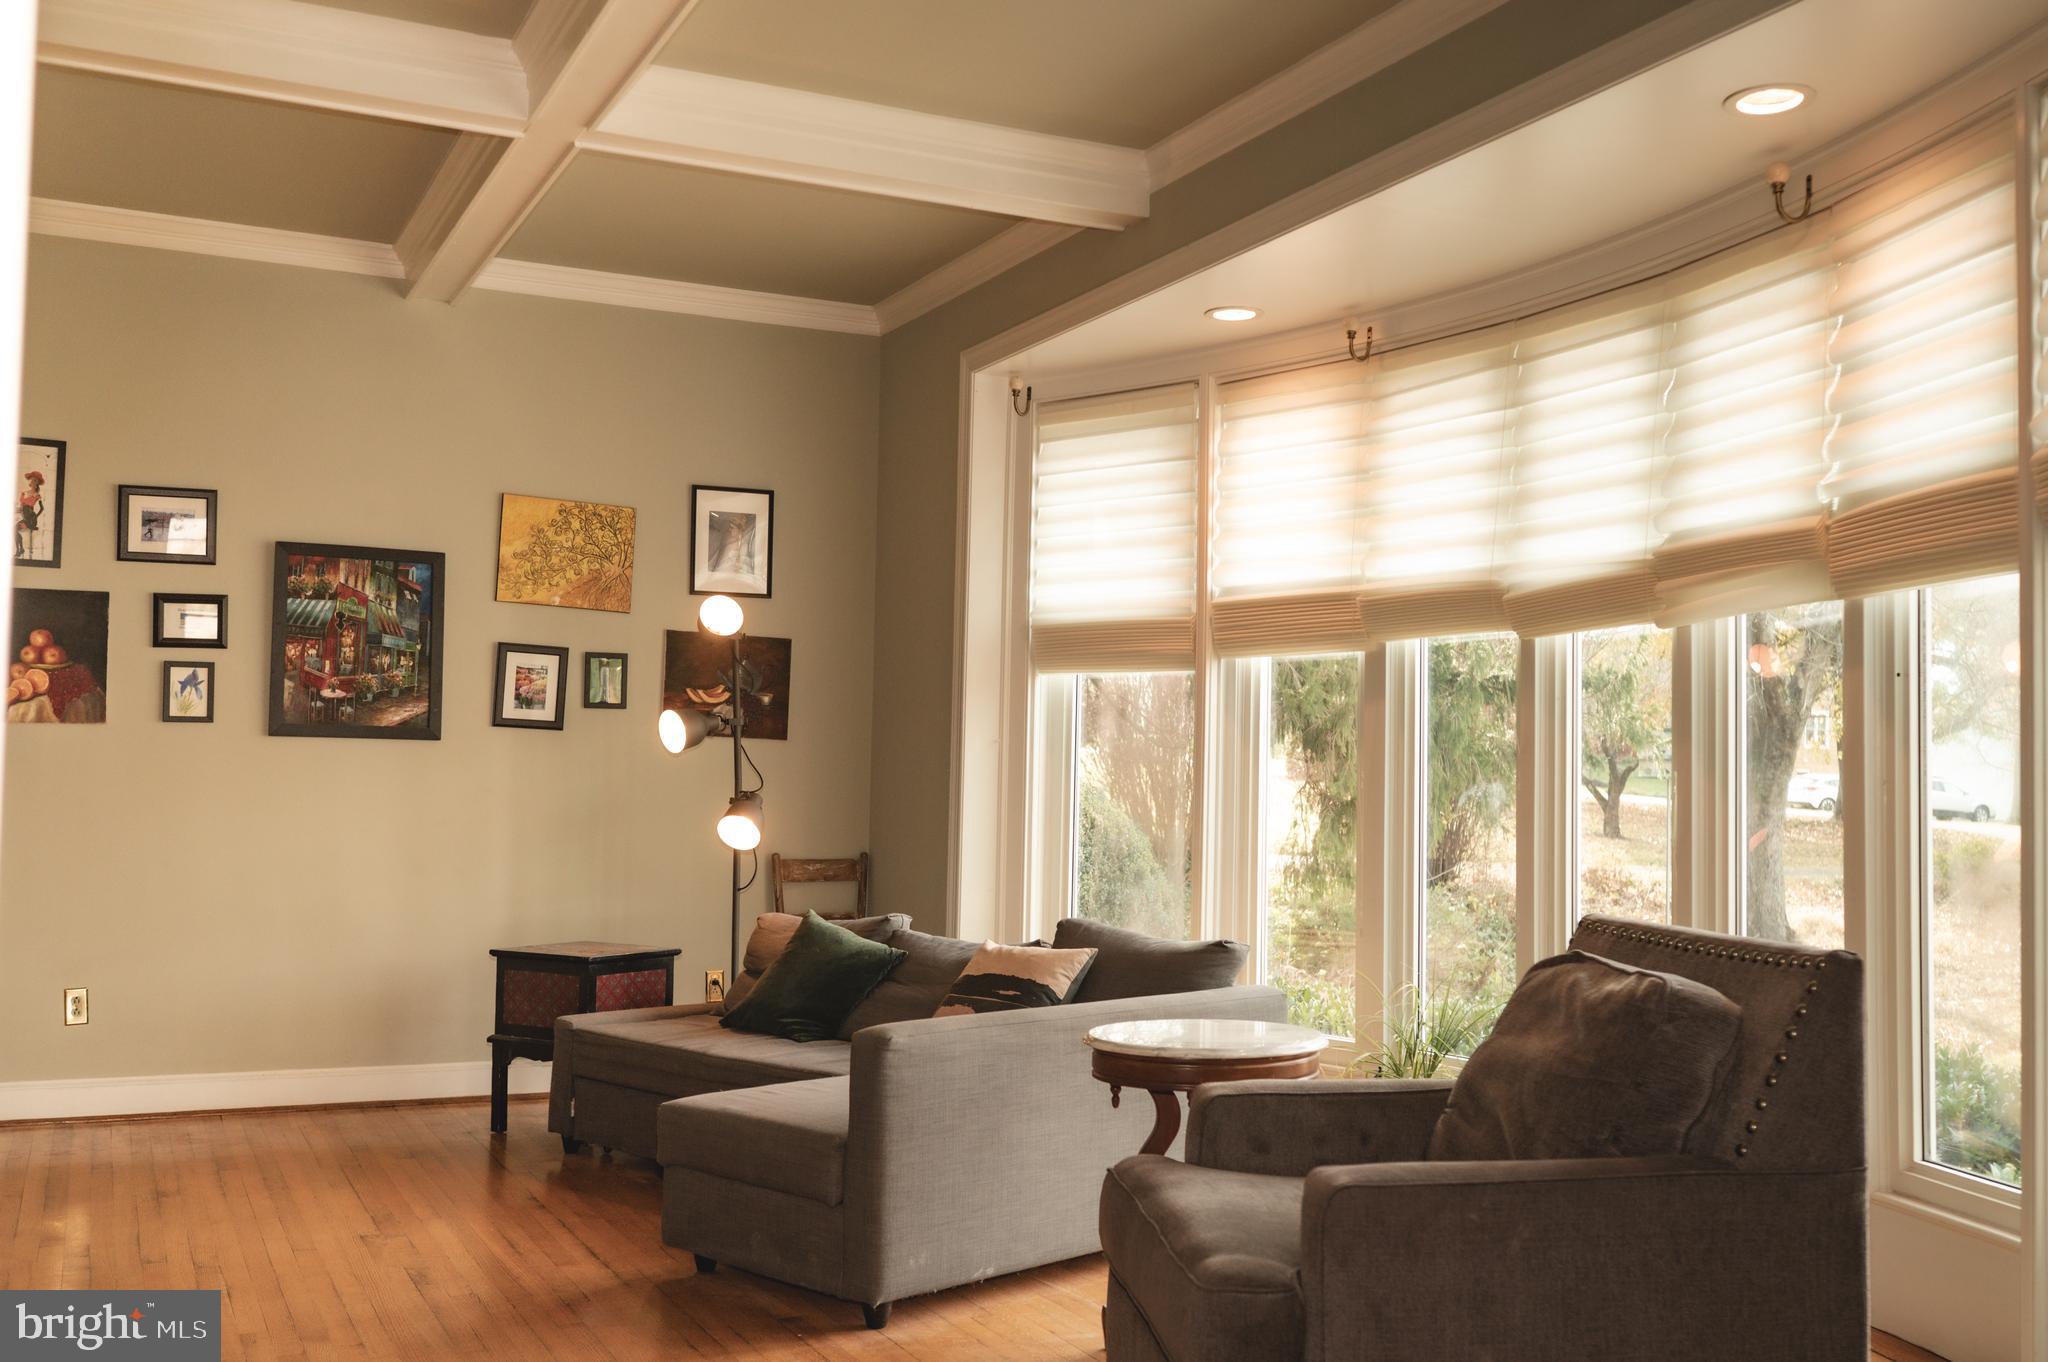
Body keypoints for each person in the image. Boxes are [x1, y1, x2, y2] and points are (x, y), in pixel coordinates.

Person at [15, 468, 45, 559]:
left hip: (31, 519)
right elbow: (21, 508)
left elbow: (42, 508)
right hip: (25, 518)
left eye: (35, 480)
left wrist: (35, 517)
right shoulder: (24, 493)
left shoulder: (37, 495)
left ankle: (19, 551)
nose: (32, 481)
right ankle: (20, 549)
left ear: (37, 483)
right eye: (32, 479)